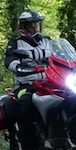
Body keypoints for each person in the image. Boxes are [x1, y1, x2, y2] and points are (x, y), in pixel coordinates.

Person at [4, 10, 49, 138]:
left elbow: (61, 55)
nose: (35, 28)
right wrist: (18, 67)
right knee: (26, 104)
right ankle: (27, 141)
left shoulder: (47, 41)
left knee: (72, 96)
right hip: (26, 85)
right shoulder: (15, 43)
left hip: (49, 83)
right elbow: (9, 60)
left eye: (36, 24)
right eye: (31, 25)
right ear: (24, 27)